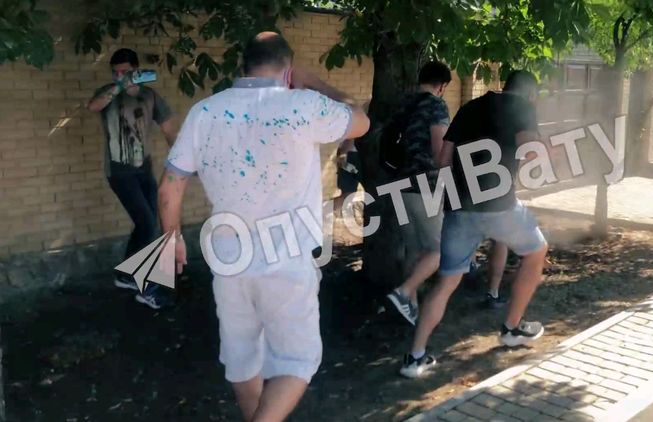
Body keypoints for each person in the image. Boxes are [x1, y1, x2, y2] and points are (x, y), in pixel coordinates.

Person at [158, 32, 369, 421]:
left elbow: (170, 184)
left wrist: (172, 240)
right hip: (286, 256)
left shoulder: (205, 112)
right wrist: (312, 81)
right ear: (287, 70)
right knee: (297, 361)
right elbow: (361, 121)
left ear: (243, 66)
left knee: (241, 358)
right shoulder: (304, 105)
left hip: (229, 258)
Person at [400, 70, 548, 378]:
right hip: (500, 206)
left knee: (445, 284)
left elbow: (442, 159)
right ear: (531, 94)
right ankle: (511, 329)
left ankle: (415, 358)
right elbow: (531, 153)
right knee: (537, 251)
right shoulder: (523, 107)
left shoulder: (469, 107)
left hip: (459, 208)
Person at [87, 48, 178, 309]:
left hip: (144, 170)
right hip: (119, 172)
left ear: (136, 70)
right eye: (115, 72)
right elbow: (93, 106)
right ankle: (148, 288)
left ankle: (125, 275)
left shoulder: (149, 96)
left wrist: (181, 161)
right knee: (148, 224)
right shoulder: (108, 93)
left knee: (147, 224)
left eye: (125, 71)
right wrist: (118, 86)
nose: (120, 75)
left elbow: (169, 129)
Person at [385, 61, 453, 325]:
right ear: (442, 85)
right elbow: (439, 150)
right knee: (440, 249)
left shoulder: (404, 104)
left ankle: (409, 309)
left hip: (398, 186)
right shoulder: (436, 106)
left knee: (413, 249)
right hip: (426, 186)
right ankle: (403, 292)